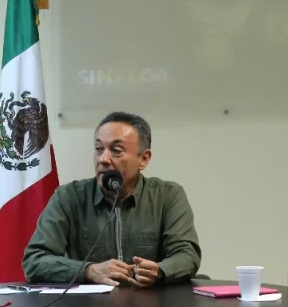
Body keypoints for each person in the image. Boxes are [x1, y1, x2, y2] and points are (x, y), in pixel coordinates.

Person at [22, 111, 201, 286]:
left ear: (144, 159)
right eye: (99, 149)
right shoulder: (68, 197)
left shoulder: (167, 196)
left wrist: (160, 270)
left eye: (116, 150)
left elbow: (187, 256)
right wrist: (89, 270)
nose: (103, 159)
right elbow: (34, 260)